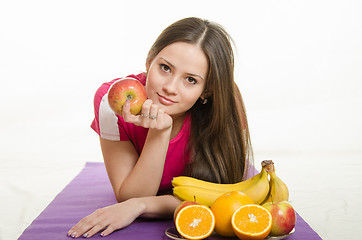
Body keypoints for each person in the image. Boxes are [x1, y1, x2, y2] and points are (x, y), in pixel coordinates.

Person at [67, 17, 253, 238]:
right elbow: (130, 197)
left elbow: (223, 197)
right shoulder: (112, 101)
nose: (170, 88)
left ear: (207, 90)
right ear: (149, 62)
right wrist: (159, 132)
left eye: (191, 80)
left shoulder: (226, 103)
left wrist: (143, 206)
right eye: (165, 68)